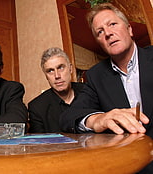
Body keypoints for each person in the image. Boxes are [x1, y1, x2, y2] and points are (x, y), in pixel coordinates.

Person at [59, 3, 152, 173]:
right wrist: (98, 119)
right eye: (99, 32)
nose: (108, 33)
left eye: (112, 24)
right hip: (125, 165)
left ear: (130, 29)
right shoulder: (96, 75)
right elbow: (68, 117)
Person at [28, 47, 85, 133]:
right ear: (46, 76)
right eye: (50, 71)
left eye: (60, 68)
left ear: (70, 69)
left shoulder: (88, 91)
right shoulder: (37, 107)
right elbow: (40, 144)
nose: (57, 75)